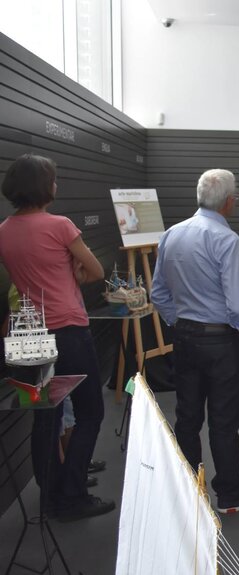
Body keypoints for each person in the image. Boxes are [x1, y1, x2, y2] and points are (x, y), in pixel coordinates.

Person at [151, 168, 239, 514]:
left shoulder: (171, 234)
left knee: (187, 416)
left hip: (184, 338)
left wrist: (178, 322)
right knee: (223, 420)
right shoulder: (227, 240)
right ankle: (230, 493)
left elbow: (158, 293)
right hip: (221, 342)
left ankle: (188, 490)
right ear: (229, 202)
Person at [0, 154, 111, 522]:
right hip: (67, 328)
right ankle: (73, 494)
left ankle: (51, 494)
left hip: (26, 333)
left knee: (43, 417)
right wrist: (72, 272)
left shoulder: (3, 231)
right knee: (90, 411)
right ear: (44, 187)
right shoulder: (60, 226)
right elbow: (96, 271)